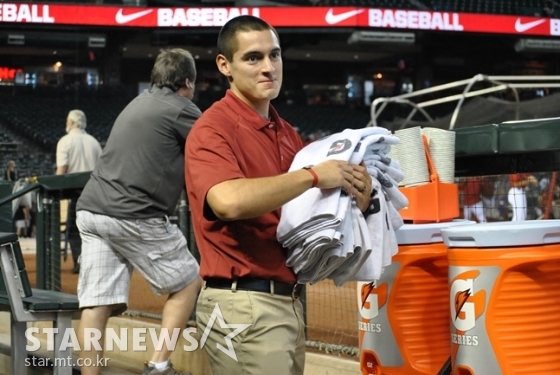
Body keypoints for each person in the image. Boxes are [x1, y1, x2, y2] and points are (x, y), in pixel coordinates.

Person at [185, 16, 372, 375]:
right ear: (225, 65)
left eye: (275, 55)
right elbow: (228, 201)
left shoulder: (286, 132)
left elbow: (308, 210)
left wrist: (354, 194)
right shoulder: (212, 128)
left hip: (287, 300)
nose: (268, 67)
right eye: (253, 58)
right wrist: (314, 175)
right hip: (243, 301)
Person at [75, 48, 202, 375]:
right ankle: (159, 365)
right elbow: (213, 146)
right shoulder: (182, 108)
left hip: (91, 210)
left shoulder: (136, 102)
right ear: (187, 81)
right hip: (131, 212)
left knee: (96, 302)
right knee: (189, 281)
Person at [56, 109, 102, 273]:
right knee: (93, 229)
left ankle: (79, 262)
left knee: (74, 229)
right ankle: (93, 262)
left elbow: (62, 170)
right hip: (94, 192)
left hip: (74, 192)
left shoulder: (65, 141)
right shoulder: (94, 142)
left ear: (72, 122)